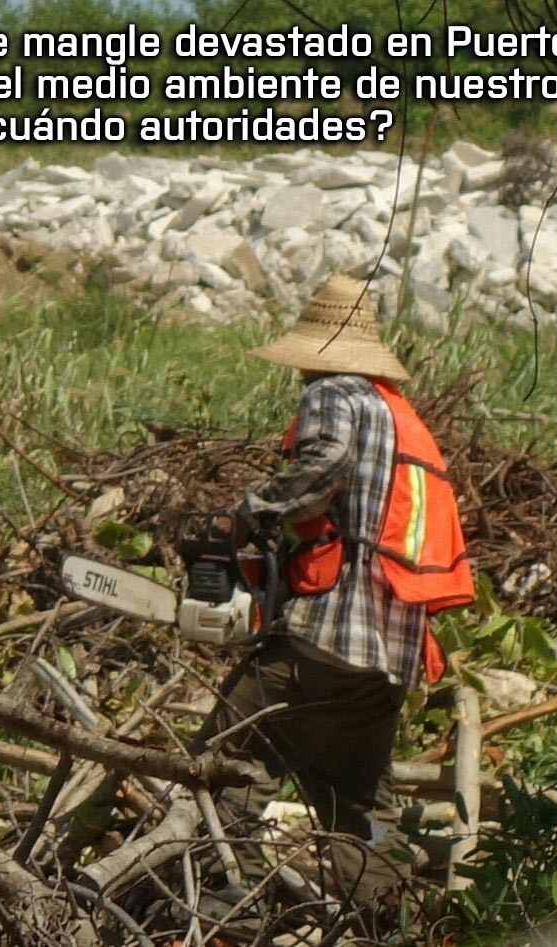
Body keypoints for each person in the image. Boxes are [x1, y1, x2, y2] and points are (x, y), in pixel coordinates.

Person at [191, 274, 474, 936]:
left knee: (221, 761)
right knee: (357, 809)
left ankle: (228, 910)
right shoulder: (403, 419)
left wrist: (247, 513)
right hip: (390, 655)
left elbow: (326, 463)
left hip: (325, 635)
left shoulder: (333, 394)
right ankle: (395, 925)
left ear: (314, 350)